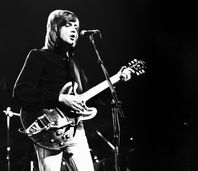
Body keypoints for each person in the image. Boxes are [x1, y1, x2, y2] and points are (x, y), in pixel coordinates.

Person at [13, 9, 133, 171]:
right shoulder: (38, 56)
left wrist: (117, 79)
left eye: (76, 28)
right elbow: (21, 92)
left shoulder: (75, 66)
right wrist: (60, 98)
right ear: (55, 29)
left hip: (76, 129)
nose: (74, 31)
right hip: (48, 131)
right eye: (68, 26)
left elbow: (86, 101)